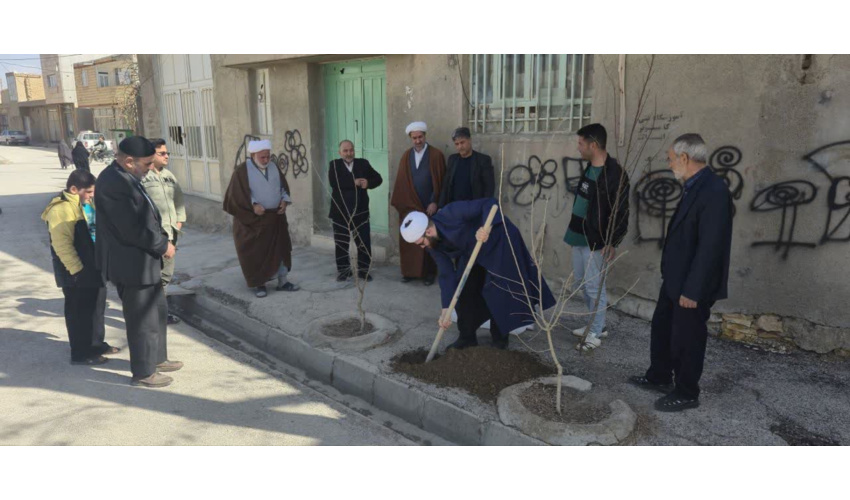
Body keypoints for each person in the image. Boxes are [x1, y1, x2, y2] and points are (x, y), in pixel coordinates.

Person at [629, 133, 733, 412]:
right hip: (676, 279)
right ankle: (660, 376)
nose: (669, 163)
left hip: (692, 285)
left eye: (670, 158)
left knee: (688, 338)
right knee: (663, 328)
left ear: (684, 158)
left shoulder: (713, 191)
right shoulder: (694, 186)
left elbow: (711, 246)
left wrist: (693, 290)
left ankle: (687, 392)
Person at [401, 198, 556, 351]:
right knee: (465, 290)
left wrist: (486, 228)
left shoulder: (452, 212)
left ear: (428, 231)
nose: (422, 247)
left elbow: (490, 203)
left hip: (499, 241)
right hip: (472, 251)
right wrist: (446, 309)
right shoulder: (433, 245)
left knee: (499, 290)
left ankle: (499, 339)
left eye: (421, 243)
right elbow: (446, 274)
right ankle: (467, 337)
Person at [95, 136, 181, 388]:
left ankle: (157, 359)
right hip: (131, 264)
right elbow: (132, 228)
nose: (151, 168)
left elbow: (147, 216)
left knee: (157, 312)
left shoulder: (127, 176)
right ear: (129, 161)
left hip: (144, 261)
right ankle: (143, 373)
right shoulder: (113, 183)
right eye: (147, 164)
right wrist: (162, 245)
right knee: (142, 319)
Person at [563, 123, 630, 352]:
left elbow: (621, 212)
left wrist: (613, 241)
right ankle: (594, 323)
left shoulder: (615, 175)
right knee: (582, 283)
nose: (578, 147)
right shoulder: (590, 168)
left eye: (581, 143)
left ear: (593, 145)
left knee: (594, 287)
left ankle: (596, 330)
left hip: (596, 240)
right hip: (577, 235)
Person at [41, 170, 119, 365]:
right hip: (75, 271)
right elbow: (62, 245)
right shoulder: (61, 209)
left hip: (93, 266)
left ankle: (96, 344)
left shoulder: (85, 204)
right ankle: (81, 353)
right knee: (79, 312)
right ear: (74, 189)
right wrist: (77, 270)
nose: (92, 196)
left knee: (96, 308)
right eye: (89, 192)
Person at [223, 139, 299, 297]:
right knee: (257, 253)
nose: (266, 160)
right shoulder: (241, 171)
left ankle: (283, 282)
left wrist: (284, 201)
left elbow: (283, 188)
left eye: (268, 156)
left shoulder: (274, 167)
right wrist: (253, 205)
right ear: (253, 155)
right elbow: (236, 196)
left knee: (282, 250)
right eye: (262, 157)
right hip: (254, 222)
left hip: (276, 219)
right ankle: (260, 284)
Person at [390, 121, 446, 286]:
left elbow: (441, 182)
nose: (417, 141)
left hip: (429, 207)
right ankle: (410, 272)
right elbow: (401, 182)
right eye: (414, 138)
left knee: (429, 240)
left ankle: (429, 274)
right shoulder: (406, 156)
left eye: (420, 137)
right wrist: (406, 203)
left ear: (425, 136)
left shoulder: (436, 155)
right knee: (410, 239)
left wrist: (435, 202)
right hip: (411, 206)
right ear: (410, 138)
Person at [141, 138, 186, 324]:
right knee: (152, 276)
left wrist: (179, 222)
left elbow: (179, 200)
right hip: (153, 236)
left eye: (167, 153)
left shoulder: (169, 176)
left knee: (166, 275)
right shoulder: (143, 177)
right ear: (151, 155)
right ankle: (151, 314)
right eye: (162, 153)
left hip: (171, 233)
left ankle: (160, 312)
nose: (167, 156)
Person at [328, 139, 383, 282]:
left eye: (351, 150)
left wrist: (368, 183)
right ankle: (344, 271)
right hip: (340, 213)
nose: (349, 153)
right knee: (341, 243)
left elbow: (378, 178)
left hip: (360, 212)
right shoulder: (334, 165)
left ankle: (364, 271)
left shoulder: (363, 163)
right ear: (340, 152)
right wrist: (354, 182)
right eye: (345, 151)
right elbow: (334, 182)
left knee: (363, 243)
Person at [438, 127, 495, 208]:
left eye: (462, 142)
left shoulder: (482, 160)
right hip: (454, 206)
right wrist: (441, 207)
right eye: (457, 144)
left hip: (474, 207)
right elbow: (446, 185)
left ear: (469, 140)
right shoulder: (452, 159)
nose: (460, 147)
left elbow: (489, 187)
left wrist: (484, 208)